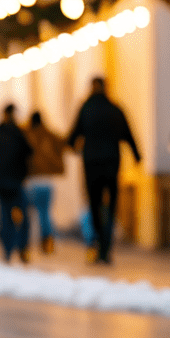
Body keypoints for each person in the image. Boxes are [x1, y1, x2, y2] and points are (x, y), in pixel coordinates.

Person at [68, 77, 140, 265]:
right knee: (112, 204)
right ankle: (107, 247)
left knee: (94, 204)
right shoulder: (114, 108)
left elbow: (72, 136)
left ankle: (98, 243)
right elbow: (128, 133)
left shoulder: (86, 109)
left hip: (91, 163)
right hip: (112, 162)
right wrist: (136, 155)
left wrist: (75, 147)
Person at [0, 103, 33, 262]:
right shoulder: (19, 133)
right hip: (16, 181)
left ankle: (8, 250)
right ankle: (22, 247)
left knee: (5, 216)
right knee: (24, 216)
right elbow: (29, 153)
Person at [23, 111, 65, 254]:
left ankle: (25, 244)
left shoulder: (26, 135)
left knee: (27, 213)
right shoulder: (48, 134)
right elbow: (63, 143)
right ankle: (47, 239)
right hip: (47, 181)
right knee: (45, 213)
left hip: (31, 181)